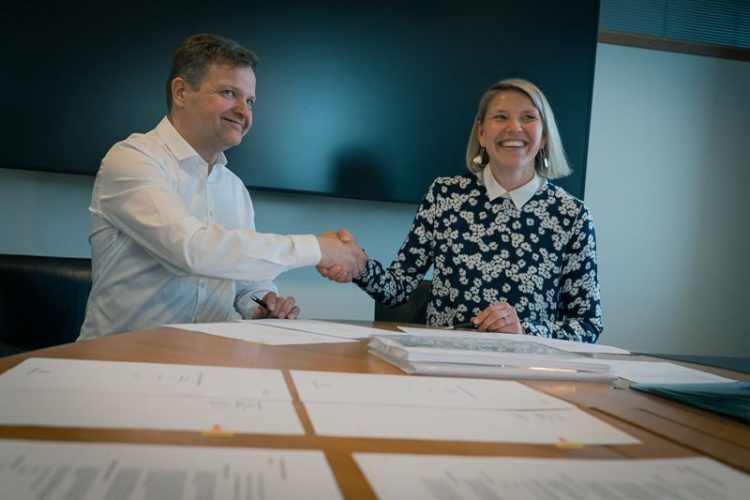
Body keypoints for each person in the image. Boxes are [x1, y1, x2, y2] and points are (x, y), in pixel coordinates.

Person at [79, 33, 362, 340]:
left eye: (250, 101)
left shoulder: (234, 188)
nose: (244, 111)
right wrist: (318, 249)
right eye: (229, 93)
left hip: (207, 357)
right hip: (121, 358)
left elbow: (243, 282)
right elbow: (191, 250)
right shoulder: (132, 159)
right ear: (181, 92)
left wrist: (259, 304)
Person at [319, 78, 602, 342]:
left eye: (528, 117)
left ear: (544, 137)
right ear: (481, 133)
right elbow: (399, 289)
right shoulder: (445, 194)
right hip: (442, 360)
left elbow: (588, 324)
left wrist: (524, 330)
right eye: (500, 117)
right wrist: (359, 266)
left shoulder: (572, 215)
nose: (514, 127)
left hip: (525, 367)